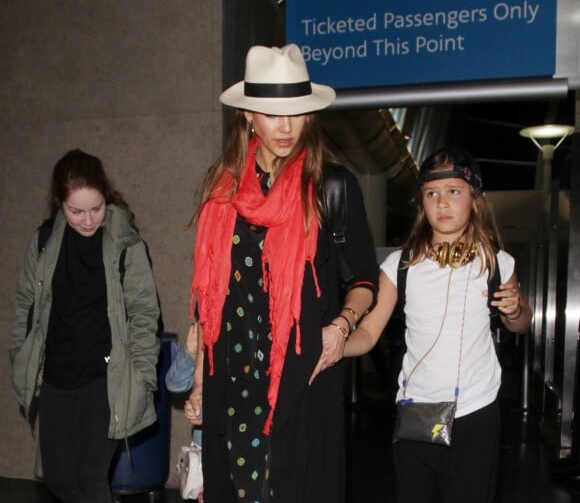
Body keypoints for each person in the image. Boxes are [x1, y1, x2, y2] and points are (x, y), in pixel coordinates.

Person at [187, 44, 378, 502]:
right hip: (231, 379)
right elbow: (208, 303)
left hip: (301, 380)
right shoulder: (221, 194)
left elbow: (365, 281)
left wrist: (341, 325)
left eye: (295, 112)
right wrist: (198, 383)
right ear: (249, 117)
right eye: (273, 114)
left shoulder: (332, 187)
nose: (286, 126)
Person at [344, 147, 532, 503]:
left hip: (475, 413)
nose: (442, 203)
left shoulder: (497, 262)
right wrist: (335, 342)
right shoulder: (400, 264)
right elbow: (368, 333)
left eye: (454, 192)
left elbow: (522, 323)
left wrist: (514, 309)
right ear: (421, 204)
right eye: (432, 194)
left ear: (474, 201)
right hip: (417, 412)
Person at [10, 149, 160, 503]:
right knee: (61, 481)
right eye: (76, 211)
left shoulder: (126, 243)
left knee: (92, 479)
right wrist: (20, 355)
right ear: (59, 203)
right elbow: (25, 305)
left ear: (105, 197)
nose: (89, 220)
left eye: (96, 208)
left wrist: (142, 377)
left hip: (106, 379)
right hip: (57, 379)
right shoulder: (44, 241)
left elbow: (144, 314)